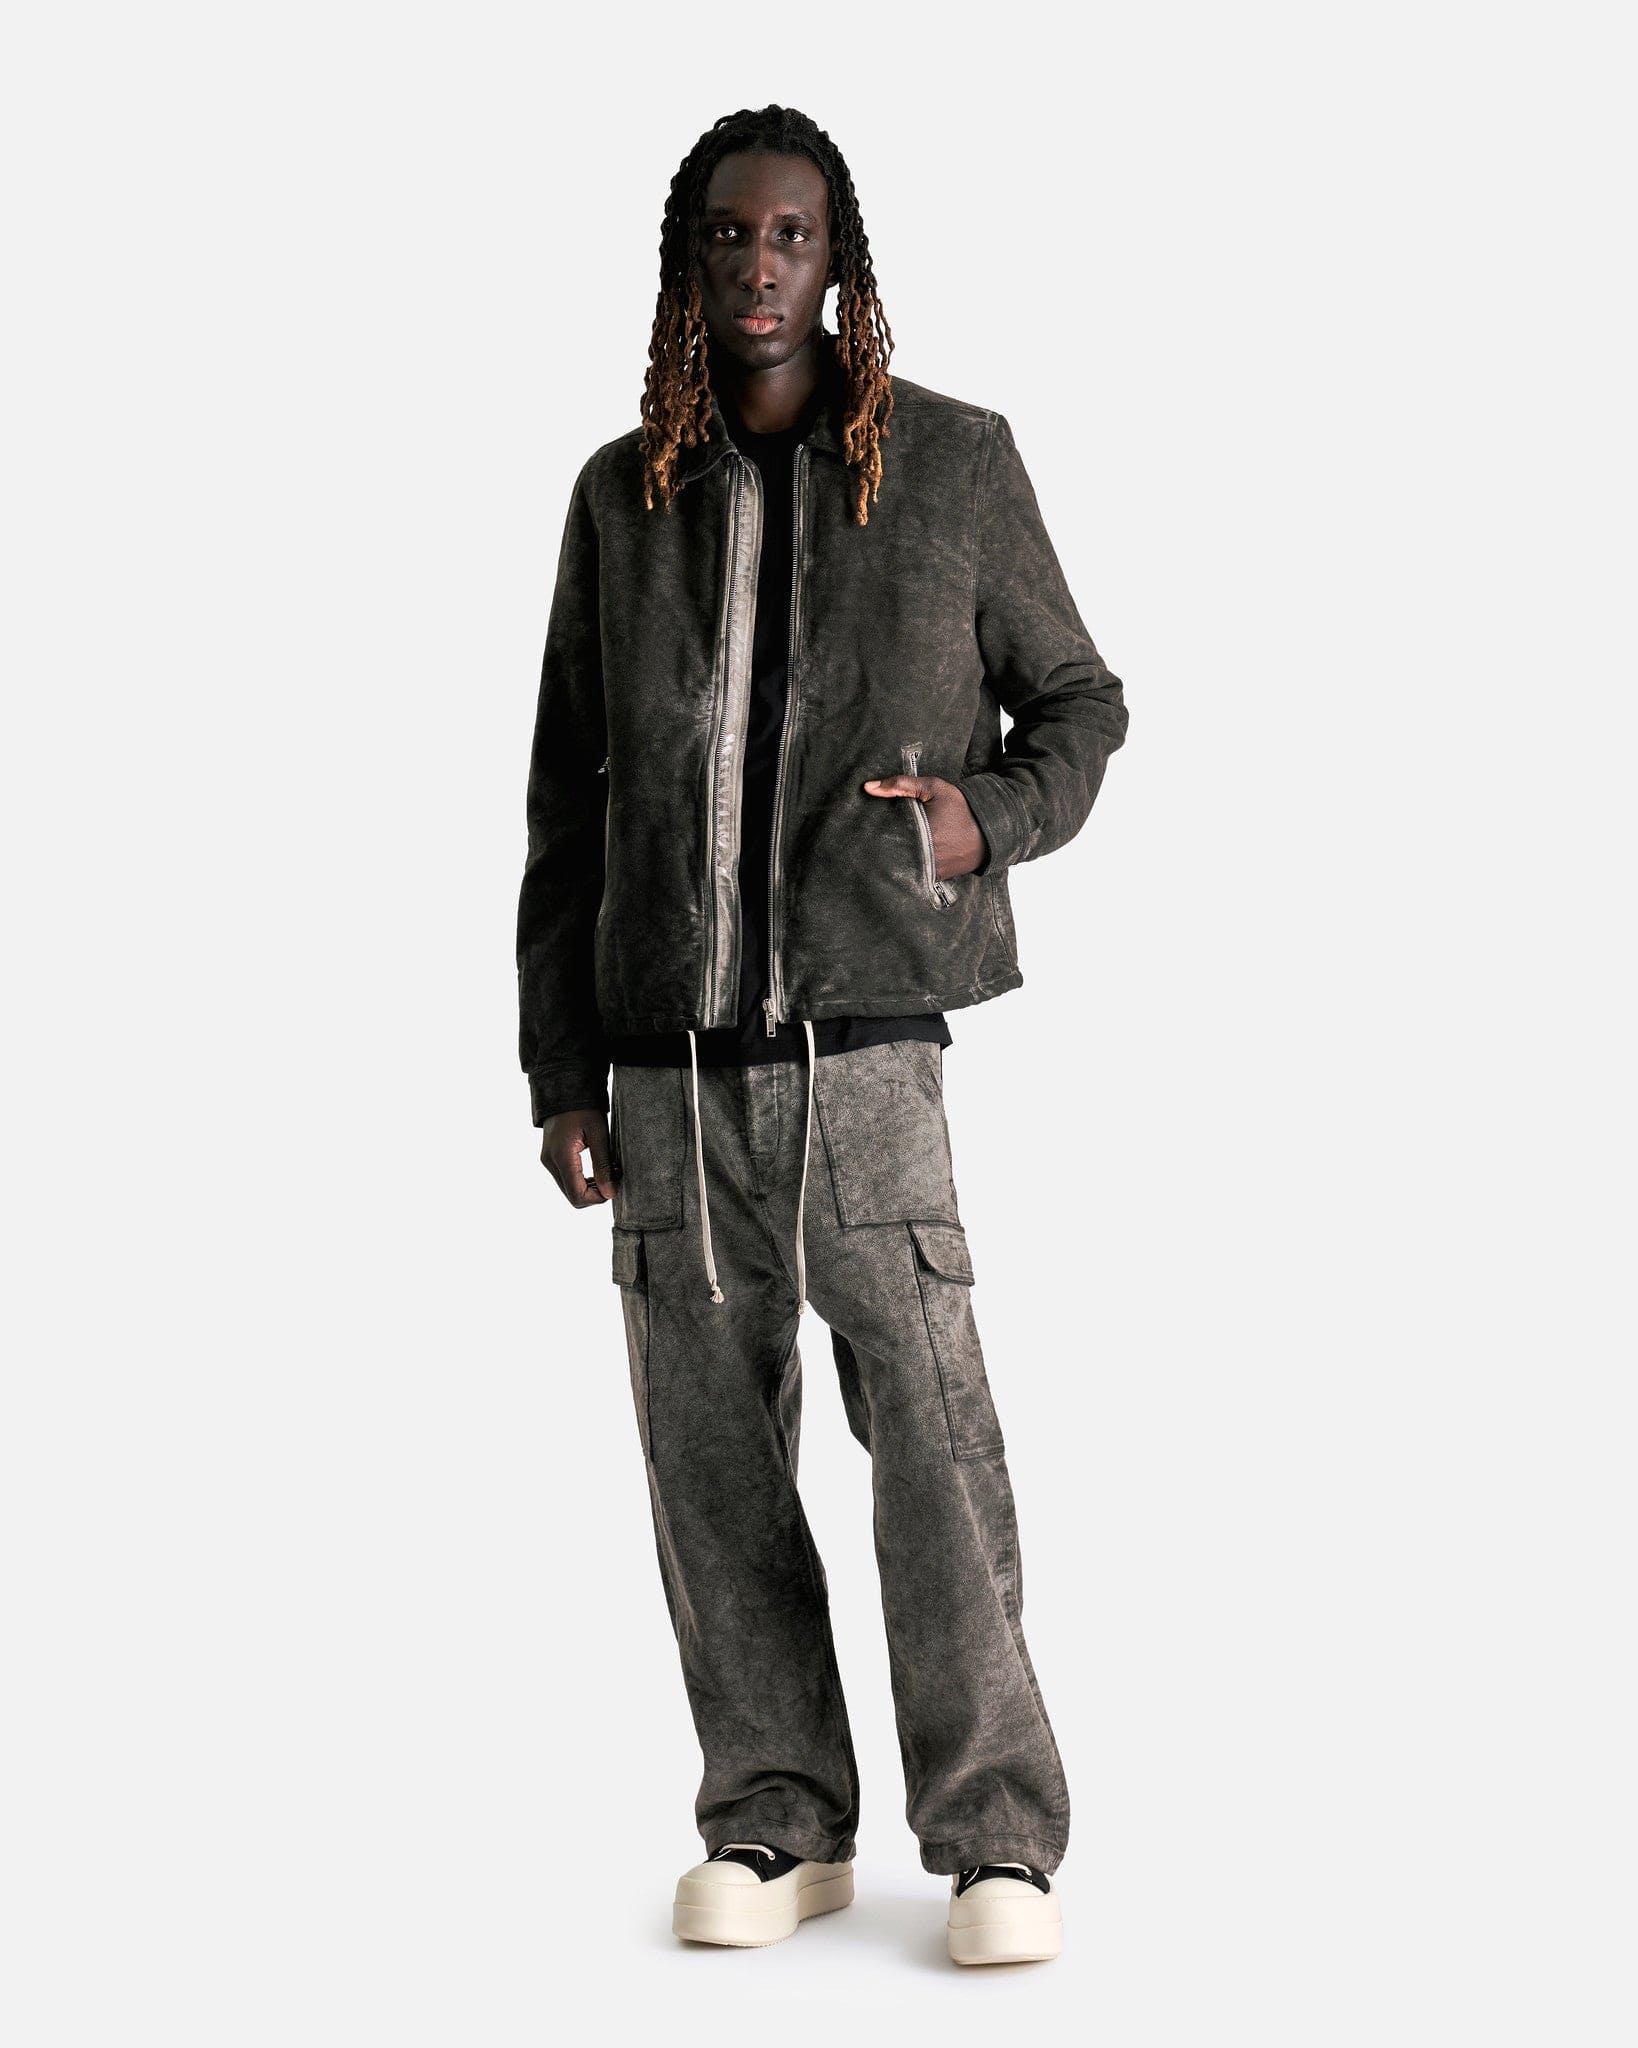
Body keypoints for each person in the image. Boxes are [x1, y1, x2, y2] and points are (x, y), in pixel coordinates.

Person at [517, 103, 1128, 1966]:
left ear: (835, 257)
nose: (759, 267)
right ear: (688, 264)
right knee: (710, 1468)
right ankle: (777, 1819)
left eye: (789, 236)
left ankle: (998, 1839)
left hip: (866, 1066)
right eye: (727, 236)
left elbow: (1079, 704)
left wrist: (977, 823)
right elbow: (566, 800)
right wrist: (560, 1069)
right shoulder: (623, 496)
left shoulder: (949, 464)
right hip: (665, 1074)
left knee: (931, 1447)